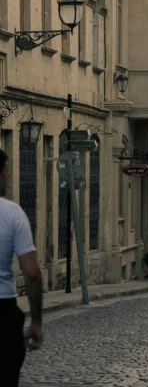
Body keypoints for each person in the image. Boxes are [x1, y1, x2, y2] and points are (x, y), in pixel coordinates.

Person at [0, 149, 43, 386]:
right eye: (5, 170)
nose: (8, 174)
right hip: (3, 312)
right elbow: (33, 273)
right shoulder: (12, 213)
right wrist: (36, 321)